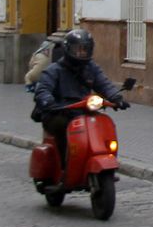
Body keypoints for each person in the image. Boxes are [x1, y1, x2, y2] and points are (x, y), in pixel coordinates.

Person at [32, 29, 128, 168]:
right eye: (78, 49)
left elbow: (104, 83)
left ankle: (98, 154)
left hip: (82, 111)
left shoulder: (91, 68)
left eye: (85, 49)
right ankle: (64, 165)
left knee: (100, 122)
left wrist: (117, 98)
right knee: (63, 126)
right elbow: (43, 89)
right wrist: (48, 100)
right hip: (58, 112)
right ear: (68, 49)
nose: (82, 53)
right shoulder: (55, 70)